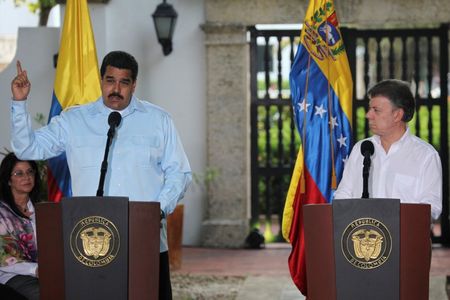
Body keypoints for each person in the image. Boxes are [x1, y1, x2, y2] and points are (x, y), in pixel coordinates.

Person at [10, 50, 191, 299]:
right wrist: (19, 104)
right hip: (91, 246)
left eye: (124, 82)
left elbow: (179, 171)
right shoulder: (74, 120)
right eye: (110, 80)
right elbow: (27, 147)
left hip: (144, 239)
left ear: (134, 85)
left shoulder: (158, 120)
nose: (115, 88)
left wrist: (157, 210)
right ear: (101, 80)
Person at [334, 79, 442, 221]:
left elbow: (431, 208)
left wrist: (395, 219)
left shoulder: (425, 156)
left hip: (405, 240)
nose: (368, 115)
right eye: (369, 109)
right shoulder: (361, 149)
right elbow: (343, 196)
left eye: (376, 110)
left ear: (397, 115)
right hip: (363, 239)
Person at [0, 153, 41, 300]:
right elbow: (3, 257)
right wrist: (35, 269)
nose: (26, 177)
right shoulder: (2, 213)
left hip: (45, 272)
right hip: (13, 275)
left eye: (30, 172)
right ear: (8, 180)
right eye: (19, 173)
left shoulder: (43, 209)